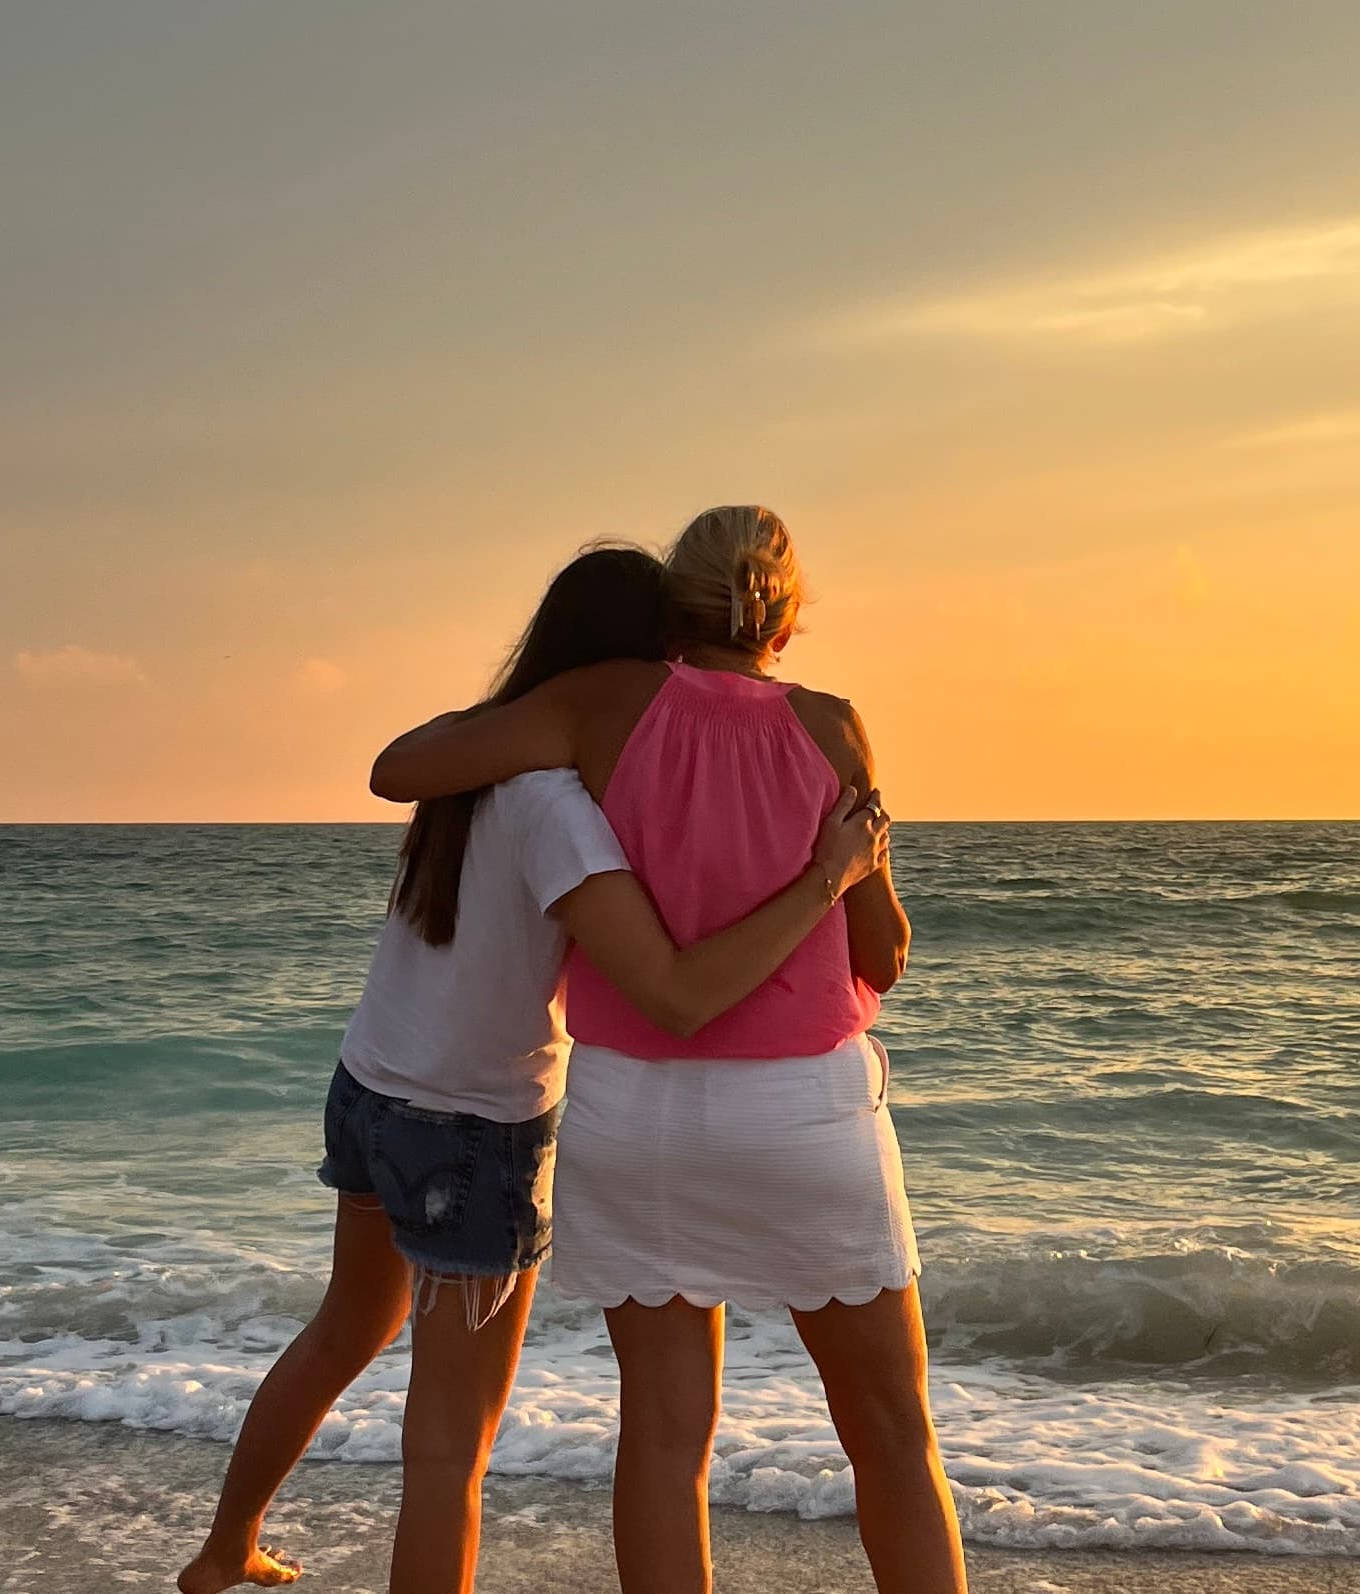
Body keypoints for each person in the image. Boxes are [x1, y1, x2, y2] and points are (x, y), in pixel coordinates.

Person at [177, 543, 892, 1594]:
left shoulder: (468, 770)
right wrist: (830, 876)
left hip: (371, 1086)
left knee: (346, 1327)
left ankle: (225, 1544)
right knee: (449, 1444)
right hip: (474, 1131)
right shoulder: (559, 806)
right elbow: (671, 987)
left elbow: (398, 763)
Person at [370, 506, 965, 1594]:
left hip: (632, 1113)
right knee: (889, 1436)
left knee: (663, 1439)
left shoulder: (595, 705)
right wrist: (837, 875)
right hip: (805, 1113)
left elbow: (406, 768)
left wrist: (533, 709)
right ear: (784, 619)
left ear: (672, 608)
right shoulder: (835, 726)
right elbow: (884, 952)